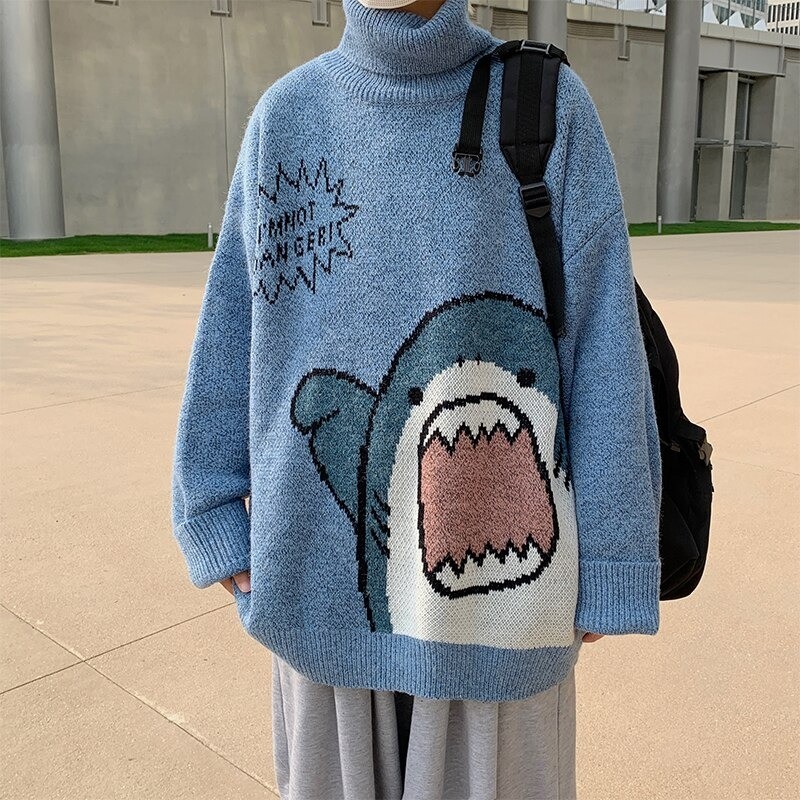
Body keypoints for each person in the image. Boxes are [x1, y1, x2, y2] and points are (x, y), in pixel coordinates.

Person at [170, 0, 663, 796]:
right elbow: (235, 325)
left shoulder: (546, 109)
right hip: (317, 594)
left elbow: (605, 341)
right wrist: (210, 505)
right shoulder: (285, 118)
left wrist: (612, 557)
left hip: (504, 621)